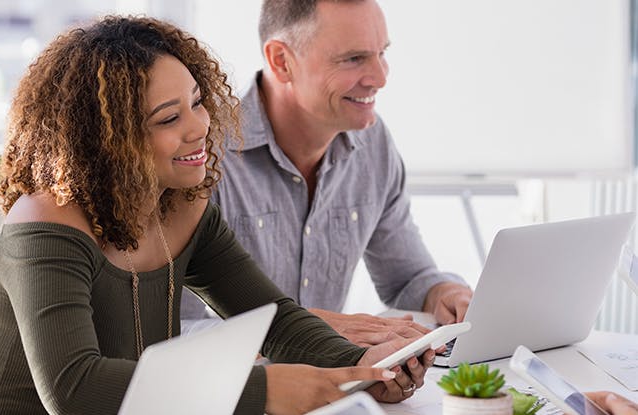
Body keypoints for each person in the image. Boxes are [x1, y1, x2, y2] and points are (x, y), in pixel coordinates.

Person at [0, 15, 434, 415]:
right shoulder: (44, 223)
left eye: (197, 103)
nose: (199, 127)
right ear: (107, 143)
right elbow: (75, 389)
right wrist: (265, 390)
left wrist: (366, 367)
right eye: (167, 118)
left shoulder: (182, 207)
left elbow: (276, 322)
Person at [180, 0, 474, 346]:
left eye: (382, 53)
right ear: (281, 61)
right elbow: (173, 331)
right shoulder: (203, 157)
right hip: (240, 393)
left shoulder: (372, 144)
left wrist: (443, 292)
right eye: (353, 59)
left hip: (335, 384)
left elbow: (407, 278)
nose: (380, 77)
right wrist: (300, 332)